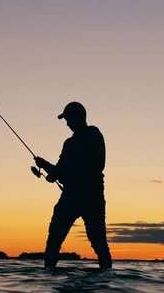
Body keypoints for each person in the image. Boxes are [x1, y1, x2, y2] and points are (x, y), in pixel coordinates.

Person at [34, 102, 112, 269]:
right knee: (54, 239)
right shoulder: (68, 143)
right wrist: (45, 165)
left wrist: (59, 173)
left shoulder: (93, 134)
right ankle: (49, 277)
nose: (67, 123)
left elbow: (94, 166)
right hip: (70, 197)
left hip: (91, 196)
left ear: (78, 117)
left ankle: (105, 278)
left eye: (68, 119)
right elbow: (58, 172)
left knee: (98, 242)